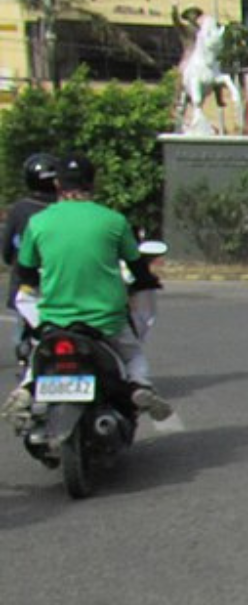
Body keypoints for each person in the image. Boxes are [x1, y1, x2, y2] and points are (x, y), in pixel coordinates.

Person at [4, 155, 170, 422]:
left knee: (39, 351)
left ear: (58, 183)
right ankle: (139, 385)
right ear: (93, 183)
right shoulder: (114, 221)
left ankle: (26, 388)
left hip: (55, 319)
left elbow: (24, 270)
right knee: (132, 353)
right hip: (106, 321)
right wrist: (147, 282)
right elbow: (137, 267)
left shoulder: (38, 222)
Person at [3, 153, 59, 354]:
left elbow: (7, 250)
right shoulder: (66, 208)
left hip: (27, 284)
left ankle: (26, 358)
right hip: (61, 281)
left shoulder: (20, 209)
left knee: (23, 331)